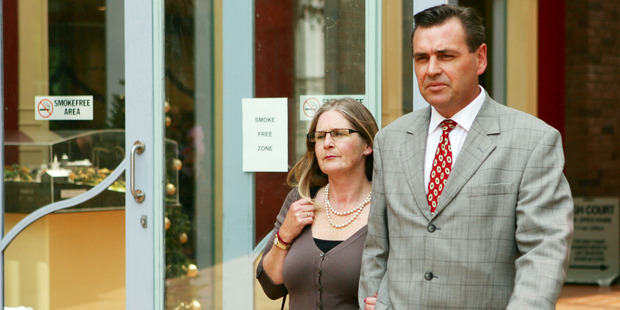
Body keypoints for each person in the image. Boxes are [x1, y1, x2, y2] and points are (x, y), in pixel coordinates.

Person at [359, 4, 573, 310]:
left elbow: (545, 250)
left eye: (446, 56)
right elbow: (377, 248)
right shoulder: (389, 141)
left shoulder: (533, 141)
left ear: (481, 58)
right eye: (422, 58)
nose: (431, 69)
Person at [256, 97, 379, 309]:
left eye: (339, 134)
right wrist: (284, 235)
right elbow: (271, 285)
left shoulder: (387, 207)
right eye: (320, 137)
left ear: (367, 145)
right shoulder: (300, 199)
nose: (327, 143)